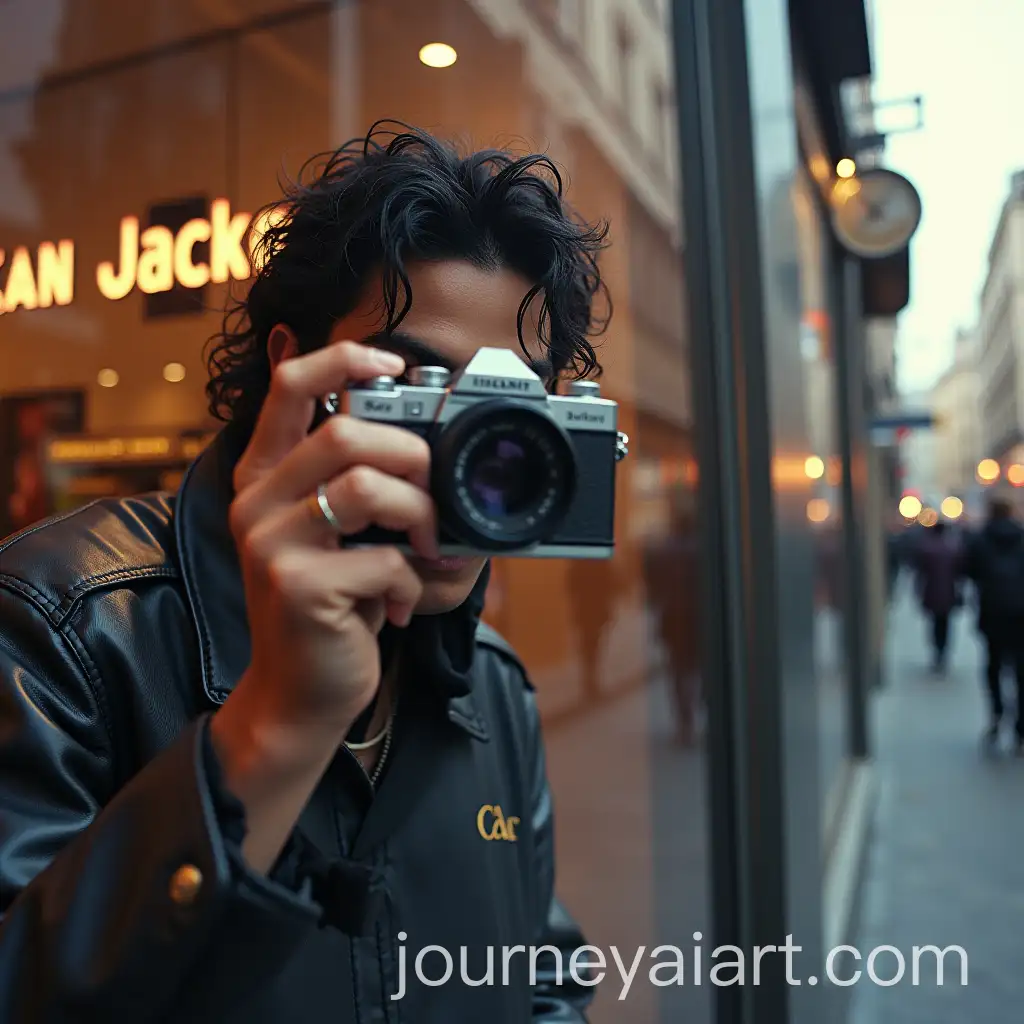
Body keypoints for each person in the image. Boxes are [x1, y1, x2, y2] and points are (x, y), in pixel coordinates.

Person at [0, 123, 609, 1022]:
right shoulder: (66, 622)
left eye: (503, 405)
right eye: (413, 387)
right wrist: (272, 728)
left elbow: (538, 985)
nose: (467, 453)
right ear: (295, 370)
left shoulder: (491, 686)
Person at [963, 495, 1024, 751]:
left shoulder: (979, 539)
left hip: (992, 611)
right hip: (1021, 613)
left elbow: (970, 571)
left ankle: (997, 714)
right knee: (1021, 670)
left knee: (993, 666)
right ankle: (1021, 727)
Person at [913, 519, 962, 673]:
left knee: (935, 624)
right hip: (949, 593)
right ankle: (943, 651)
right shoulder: (953, 550)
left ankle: (937, 651)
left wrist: (918, 592)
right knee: (945, 624)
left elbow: (920, 574)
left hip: (932, 592)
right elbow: (960, 574)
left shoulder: (927, 549)